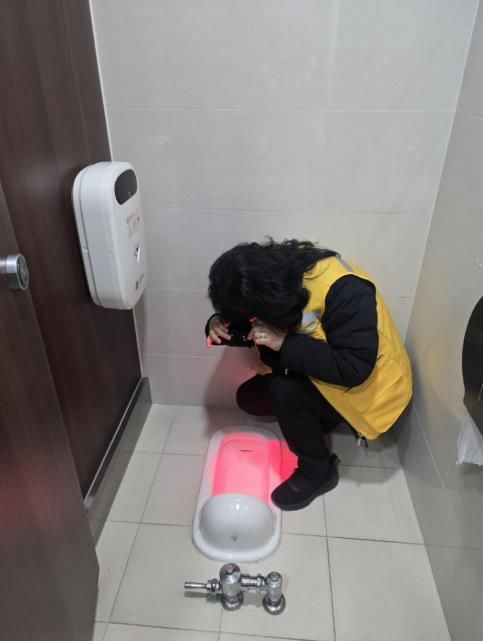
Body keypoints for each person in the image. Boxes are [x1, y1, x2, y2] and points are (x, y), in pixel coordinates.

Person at [205, 239, 412, 511]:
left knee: (283, 390)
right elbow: (251, 323)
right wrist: (218, 325)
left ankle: (318, 471)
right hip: (324, 370)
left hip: (370, 391)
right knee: (251, 398)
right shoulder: (273, 276)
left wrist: (283, 343)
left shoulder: (346, 291)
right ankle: (316, 421)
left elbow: (354, 368)